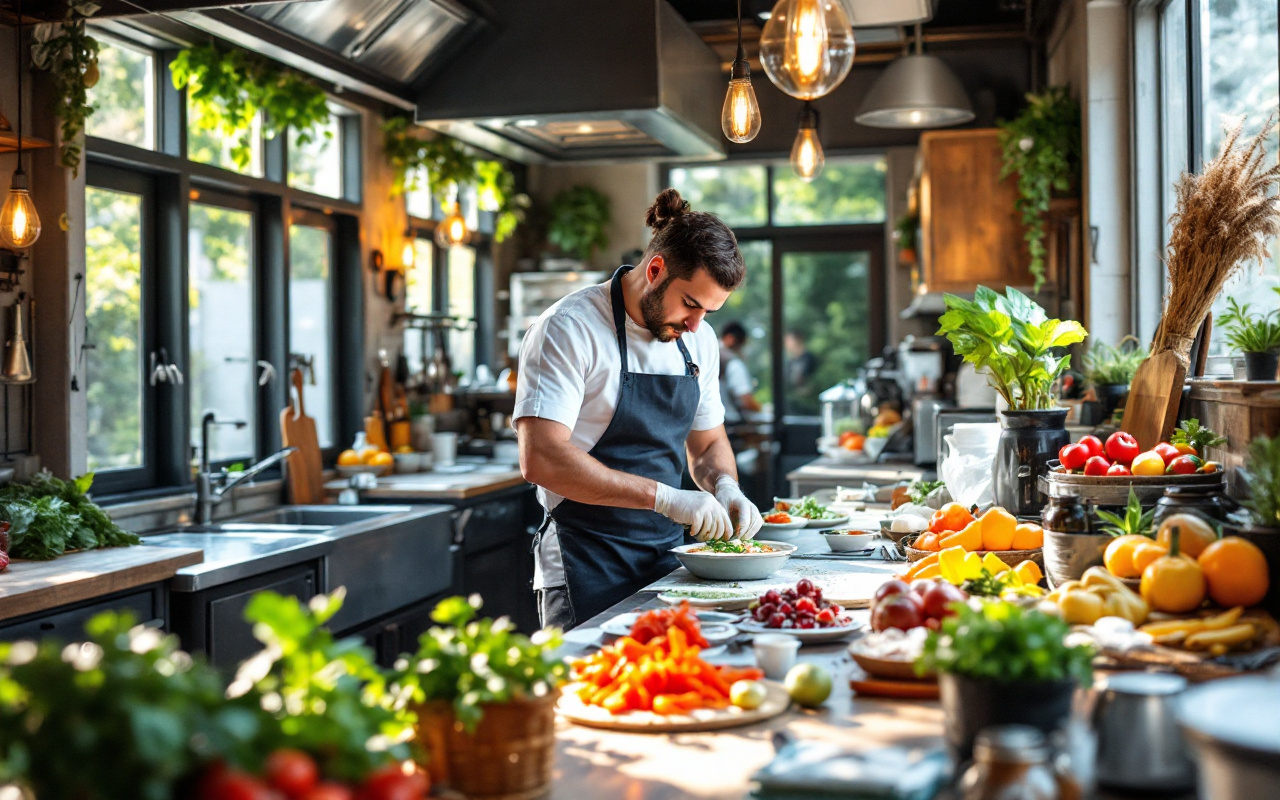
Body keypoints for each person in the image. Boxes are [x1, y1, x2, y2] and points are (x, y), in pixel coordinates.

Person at [514, 189, 765, 630]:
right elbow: (541, 458)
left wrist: (725, 486)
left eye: (708, 311)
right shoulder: (569, 328)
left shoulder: (698, 340)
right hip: (584, 561)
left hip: (670, 564)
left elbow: (707, 444)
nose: (696, 325)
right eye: (691, 304)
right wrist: (666, 498)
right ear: (655, 270)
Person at [719, 321, 762, 425]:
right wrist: (761, 409)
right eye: (742, 345)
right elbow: (745, 399)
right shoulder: (733, 362)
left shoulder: (710, 354)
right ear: (730, 339)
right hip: (729, 423)